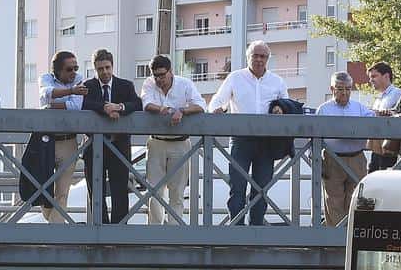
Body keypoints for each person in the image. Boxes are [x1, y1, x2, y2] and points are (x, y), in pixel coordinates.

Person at [208, 40, 289, 225]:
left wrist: (281, 109)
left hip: (267, 142)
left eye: (263, 56)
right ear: (248, 57)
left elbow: (288, 106)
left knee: (261, 188)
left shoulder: (277, 81)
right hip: (240, 140)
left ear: (268, 59)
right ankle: (236, 228)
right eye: (255, 56)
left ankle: (256, 229)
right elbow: (216, 101)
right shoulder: (235, 78)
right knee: (237, 186)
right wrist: (216, 109)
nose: (259, 60)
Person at [140, 54, 205, 224]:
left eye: (162, 75)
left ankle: (174, 231)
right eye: (156, 76)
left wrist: (182, 111)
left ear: (171, 72)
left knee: (177, 191)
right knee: (153, 191)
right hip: (157, 142)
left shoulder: (185, 84)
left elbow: (200, 105)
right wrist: (165, 109)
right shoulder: (149, 83)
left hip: (180, 142)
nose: (159, 79)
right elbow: (146, 103)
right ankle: (154, 233)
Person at [82, 49, 143, 224]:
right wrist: (105, 108)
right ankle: (99, 228)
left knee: (120, 189)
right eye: (100, 69)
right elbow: (83, 103)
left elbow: (137, 103)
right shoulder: (88, 86)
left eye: (108, 67)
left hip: (119, 145)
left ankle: (118, 231)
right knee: (95, 189)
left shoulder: (125, 85)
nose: (105, 72)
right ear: (95, 68)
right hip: (94, 146)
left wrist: (120, 107)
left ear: (113, 66)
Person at [316, 71, 374, 226]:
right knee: (333, 200)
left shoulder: (360, 108)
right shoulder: (324, 109)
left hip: (357, 158)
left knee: (356, 198)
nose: (344, 92)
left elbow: (374, 124)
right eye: (340, 89)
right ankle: (336, 240)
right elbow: (314, 136)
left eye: (348, 89)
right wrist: (315, 159)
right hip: (332, 159)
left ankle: (351, 237)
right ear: (332, 89)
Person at [37, 50, 87, 222]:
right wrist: (71, 91)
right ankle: (54, 228)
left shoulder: (79, 78)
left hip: (69, 141)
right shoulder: (46, 78)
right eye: (69, 69)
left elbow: (76, 106)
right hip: (47, 141)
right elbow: (45, 95)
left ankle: (54, 234)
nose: (73, 72)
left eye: (75, 68)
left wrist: (54, 104)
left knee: (63, 192)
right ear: (57, 71)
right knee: (43, 189)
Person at [365, 61, 401, 172]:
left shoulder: (398, 94)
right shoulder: (379, 98)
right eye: (370, 77)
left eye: (374, 76)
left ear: (386, 76)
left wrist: (391, 113)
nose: (371, 80)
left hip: (390, 149)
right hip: (377, 149)